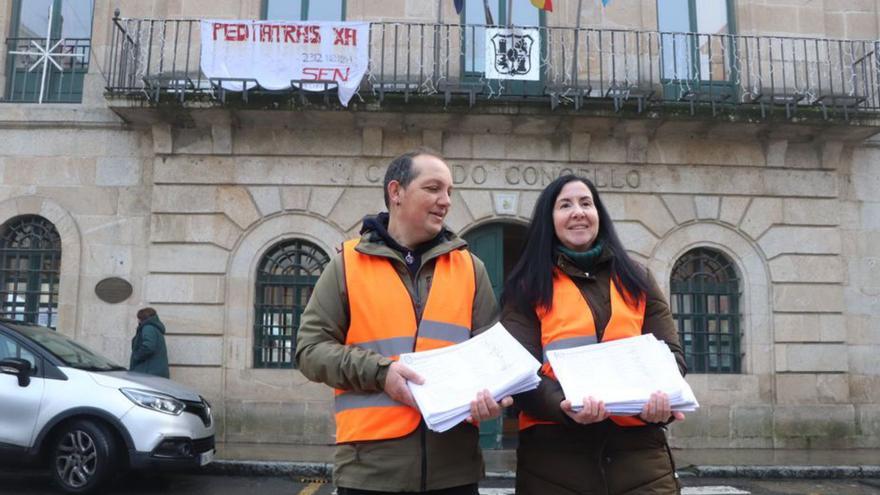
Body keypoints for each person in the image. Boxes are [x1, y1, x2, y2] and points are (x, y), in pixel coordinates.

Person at [296, 149, 509, 495]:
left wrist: (496, 395)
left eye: (450, 192)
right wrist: (382, 373)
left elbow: (492, 357)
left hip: (454, 473)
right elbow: (309, 351)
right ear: (396, 192)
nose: (445, 201)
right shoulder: (347, 265)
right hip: (370, 472)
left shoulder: (471, 268)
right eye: (433, 189)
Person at [501, 175, 687, 495]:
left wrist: (661, 394)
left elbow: (671, 353)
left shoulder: (637, 278)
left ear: (599, 214)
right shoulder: (527, 286)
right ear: (550, 220)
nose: (578, 212)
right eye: (565, 205)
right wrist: (562, 404)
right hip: (555, 462)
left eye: (586, 203)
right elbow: (518, 371)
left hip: (640, 460)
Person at [129, 307, 170, 378]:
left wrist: (136, 356)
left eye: (139, 318)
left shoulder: (148, 328)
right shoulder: (154, 328)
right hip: (154, 371)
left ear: (142, 318)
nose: (138, 320)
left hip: (148, 372)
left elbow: (148, 347)